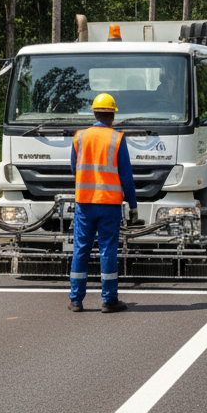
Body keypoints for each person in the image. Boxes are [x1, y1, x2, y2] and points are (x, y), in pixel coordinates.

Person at [68, 92, 140, 313]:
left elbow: (74, 167)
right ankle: (109, 300)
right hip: (109, 204)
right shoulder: (117, 139)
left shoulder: (79, 137)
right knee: (107, 250)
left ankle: (76, 300)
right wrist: (133, 205)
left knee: (81, 249)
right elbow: (126, 177)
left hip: (84, 203)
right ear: (112, 116)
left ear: (94, 113)